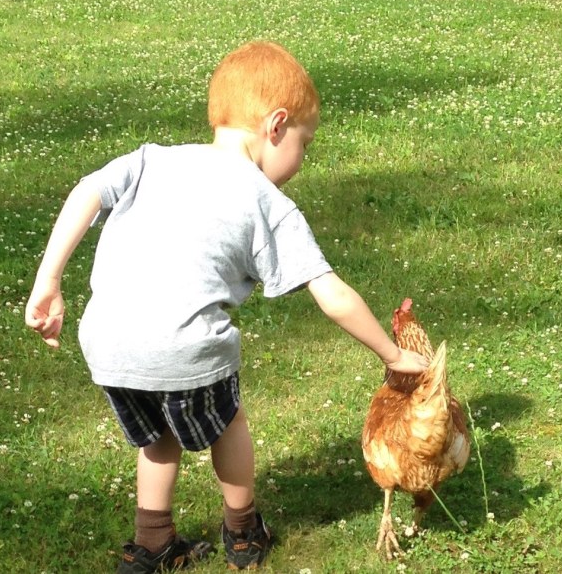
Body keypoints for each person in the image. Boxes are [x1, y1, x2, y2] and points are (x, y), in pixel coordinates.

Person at [25, 40, 429, 572]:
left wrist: (49, 280)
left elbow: (86, 192)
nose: (302, 161)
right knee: (226, 422)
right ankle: (242, 531)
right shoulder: (266, 201)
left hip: (108, 345)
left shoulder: (151, 159)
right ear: (276, 126)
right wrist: (391, 354)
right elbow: (330, 293)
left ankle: (151, 543)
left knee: (157, 435)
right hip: (185, 347)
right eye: (305, 144)